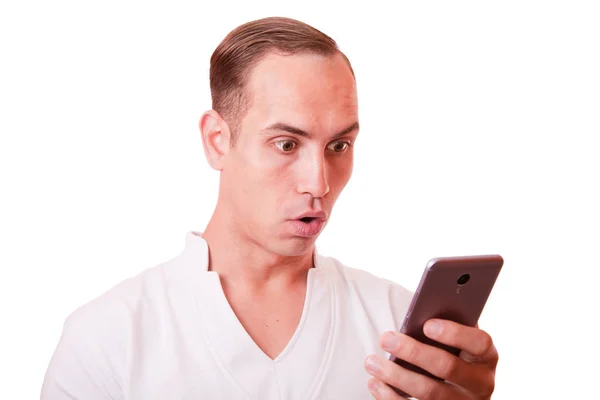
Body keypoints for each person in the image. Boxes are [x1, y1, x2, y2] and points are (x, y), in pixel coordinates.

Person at [41, 17, 498, 399]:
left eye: (339, 144)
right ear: (218, 141)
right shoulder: (107, 339)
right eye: (286, 143)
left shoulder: (398, 331)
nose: (318, 182)